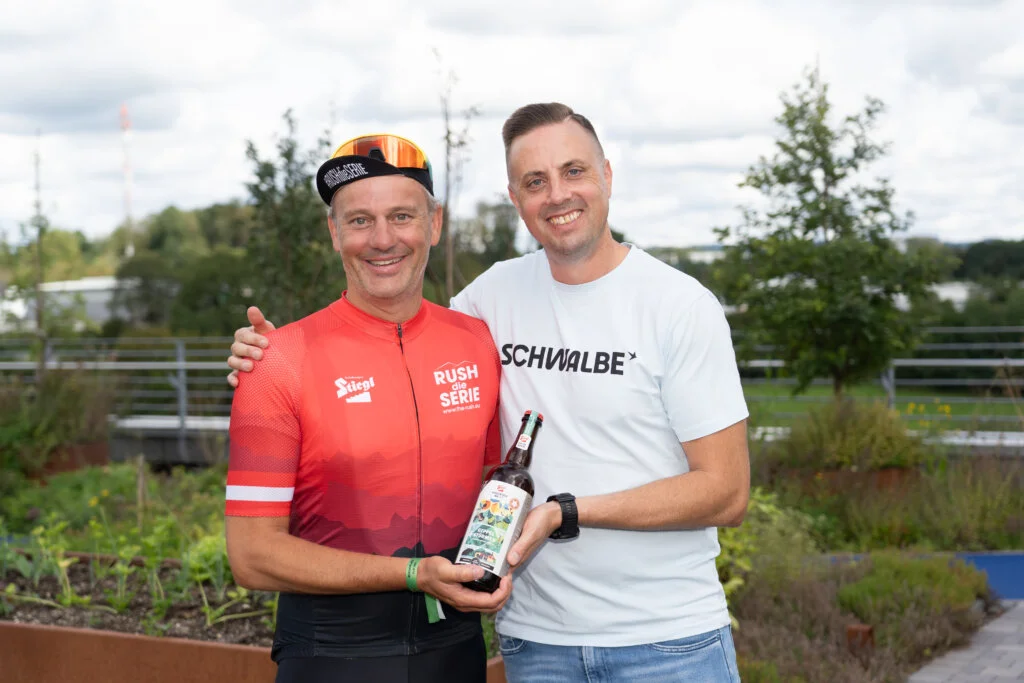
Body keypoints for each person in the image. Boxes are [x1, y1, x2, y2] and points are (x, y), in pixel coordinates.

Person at [229, 104, 751, 682]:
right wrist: (267, 359)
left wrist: (564, 513)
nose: (557, 195)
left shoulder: (675, 306)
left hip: (663, 641)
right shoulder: (488, 302)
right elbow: (385, 350)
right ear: (514, 197)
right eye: (535, 181)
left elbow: (726, 492)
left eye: (573, 171)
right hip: (531, 641)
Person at [224, 132, 511, 683]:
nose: (382, 239)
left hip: (456, 651)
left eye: (401, 216)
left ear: (435, 224)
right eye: (359, 221)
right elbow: (252, 556)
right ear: (334, 233)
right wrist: (412, 573)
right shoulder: (277, 361)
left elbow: (496, 486)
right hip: (331, 656)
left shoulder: (478, 342)